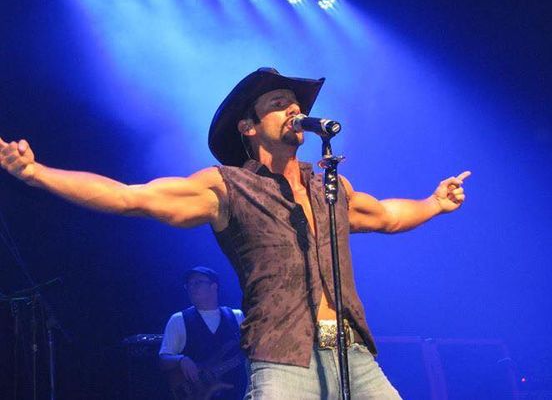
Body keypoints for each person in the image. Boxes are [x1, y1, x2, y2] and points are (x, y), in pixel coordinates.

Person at [0, 67, 470, 399]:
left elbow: (385, 215)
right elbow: (130, 197)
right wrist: (37, 173)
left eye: (295, 103)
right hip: (283, 360)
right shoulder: (227, 187)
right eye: (277, 103)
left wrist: (434, 203)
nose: (293, 108)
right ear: (248, 127)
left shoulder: (328, 186)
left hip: (354, 355)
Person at [159, 266, 247, 400]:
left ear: (214, 287)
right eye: (188, 284)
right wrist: (181, 360)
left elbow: (249, 353)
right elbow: (163, 360)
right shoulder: (179, 319)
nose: (191, 287)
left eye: (197, 282)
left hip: (236, 394)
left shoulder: (236, 316)